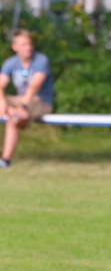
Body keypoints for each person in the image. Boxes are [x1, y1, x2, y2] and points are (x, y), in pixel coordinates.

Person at [0, 30, 55, 168]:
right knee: (13, 112)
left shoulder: (41, 60)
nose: (28, 47)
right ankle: (16, 114)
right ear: (15, 47)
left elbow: (34, 87)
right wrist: (3, 103)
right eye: (24, 45)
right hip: (20, 100)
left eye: (30, 44)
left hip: (41, 101)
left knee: (15, 118)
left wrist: (20, 108)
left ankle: (5, 160)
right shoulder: (11, 63)